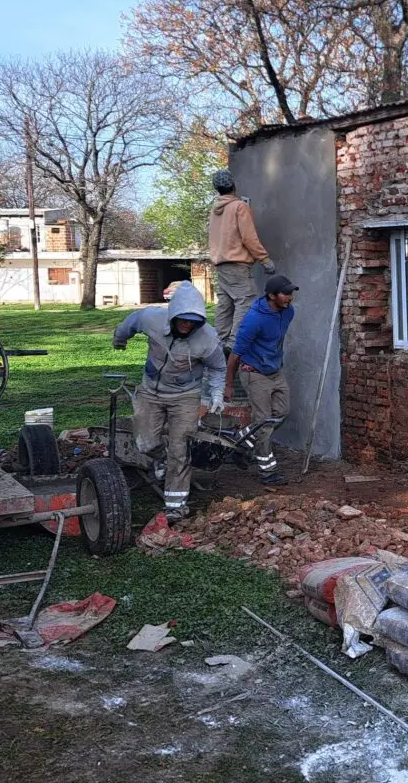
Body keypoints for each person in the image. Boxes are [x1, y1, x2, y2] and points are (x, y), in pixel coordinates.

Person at [112, 281, 225, 521]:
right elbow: (131, 322)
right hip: (150, 391)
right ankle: (162, 458)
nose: (187, 325)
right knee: (145, 442)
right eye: (183, 319)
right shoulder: (152, 318)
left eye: (193, 321)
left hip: (185, 396)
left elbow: (217, 368)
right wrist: (120, 339)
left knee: (180, 448)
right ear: (173, 315)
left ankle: (176, 505)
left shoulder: (208, 339)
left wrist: (216, 394)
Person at [224, 274, 297, 485]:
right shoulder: (253, 320)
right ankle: (268, 472)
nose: (290, 297)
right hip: (254, 373)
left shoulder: (288, 312)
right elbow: (235, 355)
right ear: (272, 296)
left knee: (280, 413)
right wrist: (228, 385)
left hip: (275, 371)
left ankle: (240, 442)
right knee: (264, 423)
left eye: (291, 293)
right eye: (285, 294)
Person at [208, 168, 276, 352]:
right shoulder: (239, 207)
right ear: (233, 184)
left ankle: (219, 341)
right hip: (237, 264)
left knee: (225, 304)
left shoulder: (215, 210)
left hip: (221, 264)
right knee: (246, 301)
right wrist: (264, 259)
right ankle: (232, 345)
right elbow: (248, 237)